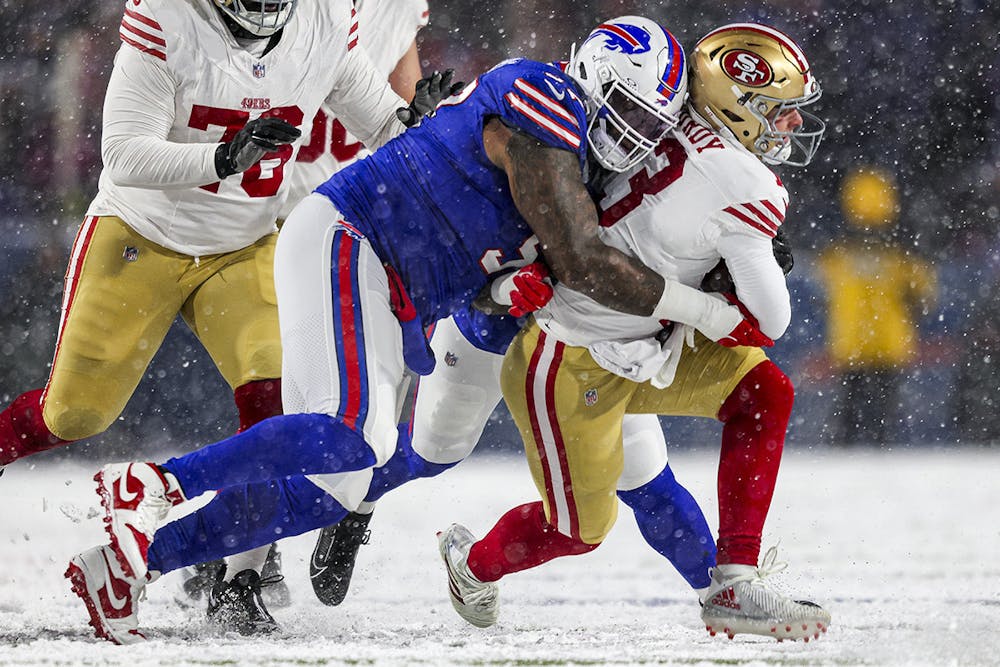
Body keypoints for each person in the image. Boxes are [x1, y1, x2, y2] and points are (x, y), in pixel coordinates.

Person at [65, 15, 767, 644]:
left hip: (405, 284)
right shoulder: (544, 100)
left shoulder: (589, 164)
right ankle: (151, 483)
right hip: (354, 234)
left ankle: (132, 564)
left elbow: (522, 258)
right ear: (592, 80)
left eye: (652, 126)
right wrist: (709, 309)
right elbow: (581, 257)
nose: (635, 139)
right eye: (628, 115)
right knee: (355, 435)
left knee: (335, 483)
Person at [436, 23, 833, 642]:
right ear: (739, 104)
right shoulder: (744, 181)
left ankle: (733, 580)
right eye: (778, 113)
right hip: (568, 355)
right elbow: (774, 321)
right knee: (577, 532)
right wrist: (723, 291)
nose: (789, 128)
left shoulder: (662, 125)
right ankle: (472, 565)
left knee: (765, 392)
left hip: (643, 336)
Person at [171, 0, 432, 632]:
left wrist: (425, 121)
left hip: (346, 216)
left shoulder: (384, 12)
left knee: (356, 399)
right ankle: (244, 559)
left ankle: (263, 536)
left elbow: (410, 104)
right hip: (287, 217)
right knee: (298, 405)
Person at [816, 167, 937, 446]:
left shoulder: (840, 254)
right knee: (874, 411)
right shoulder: (901, 256)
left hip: (862, 342)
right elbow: (924, 296)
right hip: (878, 342)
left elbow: (823, 291)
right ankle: (869, 446)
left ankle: (854, 447)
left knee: (857, 409)